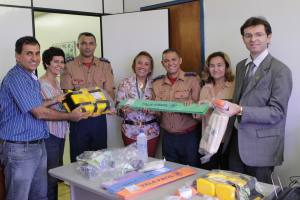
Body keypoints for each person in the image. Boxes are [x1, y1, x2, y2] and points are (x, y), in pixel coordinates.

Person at [0, 36, 87, 200]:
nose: (34, 58)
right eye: (29, 53)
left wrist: (55, 99)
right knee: (19, 196)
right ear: (17, 56)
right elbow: (38, 112)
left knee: (40, 195)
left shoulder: (30, 77)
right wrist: (70, 116)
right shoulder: (16, 77)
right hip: (20, 149)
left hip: (37, 145)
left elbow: (36, 103)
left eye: (37, 53)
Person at [217, 17, 293, 183]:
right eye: (248, 35)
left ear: (269, 37)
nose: (253, 39)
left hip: (262, 149)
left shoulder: (280, 70)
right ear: (243, 39)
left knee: (259, 194)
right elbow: (241, 99)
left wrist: (241, 110)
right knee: (235, 191)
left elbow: (277, 112)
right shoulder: (240, 66)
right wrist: (214, 103)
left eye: (258, 34)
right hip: (235, 143)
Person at [60, 32, 115, 162]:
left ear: (95, 45)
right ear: (78, 45)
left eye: (91, 43)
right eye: (83, 43)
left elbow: (110, 91)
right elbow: (67, 94)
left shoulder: (105, 65)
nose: (87, 47)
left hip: (99, 120)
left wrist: (109, 105)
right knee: (78, 160)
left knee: (100, 159)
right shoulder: (68, 65)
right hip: (78, 120)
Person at [152, 48, 201, 167]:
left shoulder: (193, 80)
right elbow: (157, 112)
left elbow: (201, 108)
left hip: (189, 137)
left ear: (180, 60)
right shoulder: (156, 83)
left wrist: (192, 106)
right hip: (168, 137)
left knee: (191, 171)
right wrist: (150, 110)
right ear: (162, 63)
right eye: (166, 61)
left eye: (174, 59)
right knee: (170, 171)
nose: (170, 63)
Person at [195, 51, 235, 170]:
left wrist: (212, 103)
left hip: (228, 141)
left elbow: (233, 108)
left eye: (219, 65)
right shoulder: (205, 88)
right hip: (209, 141)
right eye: (212, 66)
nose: (215, 69)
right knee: (209, 175)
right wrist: (195, 112)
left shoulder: (234, 86)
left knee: (228, 176)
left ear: (226, 67)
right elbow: (201, 116)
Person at [39, 47, 69, 200]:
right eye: (56, 61)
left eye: (62, 62)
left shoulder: (57, 82)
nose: (60, 65)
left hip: (61, 132)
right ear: (47, 63)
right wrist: (58, 101)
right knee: (50, 175)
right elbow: (41, 110)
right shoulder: (41, 83)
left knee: (56, 172)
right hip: (49, 134)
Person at [116, 51, 160, 157]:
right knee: (132, 165)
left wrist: (152, 110)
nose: (142, 66)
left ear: (150, 68)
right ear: (134, 65)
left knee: (149, 163)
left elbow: (160, 110)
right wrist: (123, 110)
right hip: (130, 131)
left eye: (146, 64)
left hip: (151, 132)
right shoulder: (125, 83)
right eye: (139, 63)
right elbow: (117, 107)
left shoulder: (156, 84)